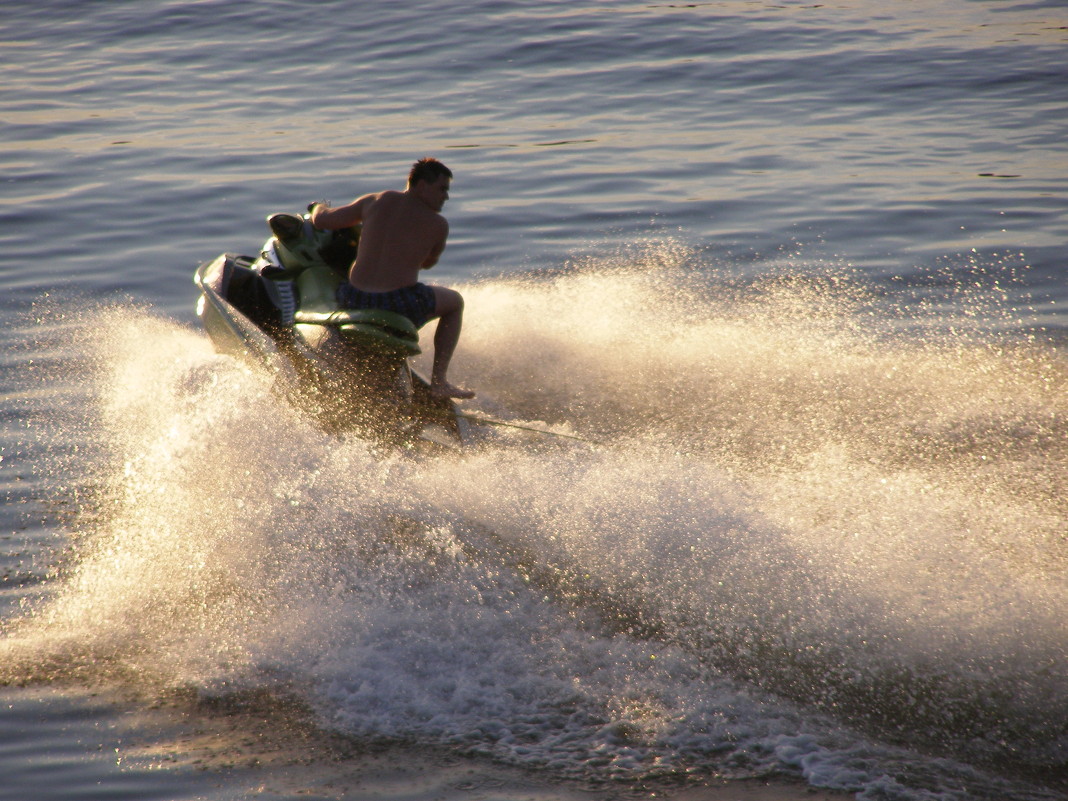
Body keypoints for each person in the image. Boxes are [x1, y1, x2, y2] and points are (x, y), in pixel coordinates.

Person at [309, 157, 475, 400]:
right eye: (442, 189)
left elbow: (323, 220)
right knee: (455, 303)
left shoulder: (377, 200)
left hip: (355, 297)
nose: (445, 197)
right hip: (398, 303)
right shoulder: (438, 224)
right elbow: (428, 263)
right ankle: (439, 382)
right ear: (420, 185)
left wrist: (318, 206)